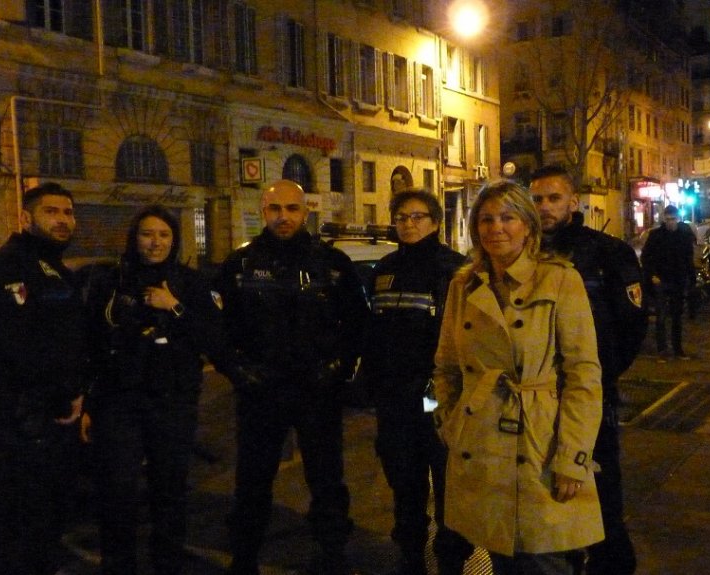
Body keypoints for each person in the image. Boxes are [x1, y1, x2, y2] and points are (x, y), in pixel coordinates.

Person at [433, 180, 604, 574]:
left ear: (528, 225)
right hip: (481, 443)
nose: (497, 228)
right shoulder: (464, 284)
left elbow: (583, 375)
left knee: (543, 559)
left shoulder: (560, 279)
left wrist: (572, 458)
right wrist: (450, 420)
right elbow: (446, 366)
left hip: (539, 444)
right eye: (487, 219)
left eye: (508, 217)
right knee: (502, 558)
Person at [82, 205, 256, 575]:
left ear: (174, 240)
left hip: (172, 402)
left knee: (170, 489)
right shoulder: (112, 281)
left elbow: (213, 340)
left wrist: (173, 307)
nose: (155, 242)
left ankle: (168, 560)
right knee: (119, 490)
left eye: (163, 235)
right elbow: (91, 343)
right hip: (121, 402)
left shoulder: (190, 284)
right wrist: (88, 400)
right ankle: (119, 562)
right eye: (147, 234)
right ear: (134, 238)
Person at [217, 180, 369, 575]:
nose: (283, 217)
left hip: (317, 391)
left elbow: (357, 324)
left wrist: (338, 369)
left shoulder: (332, 263)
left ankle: (332, 553)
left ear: (305, 212)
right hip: (260, 392)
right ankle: (245, 555)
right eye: (274, 209)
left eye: (291, 209)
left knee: (327, 480)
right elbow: (217, 328)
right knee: (252, 480)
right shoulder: (240, 264)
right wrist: (237, 371)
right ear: (263, 211)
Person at [529, 165, 647, 575]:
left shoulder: (607, 252)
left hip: (590, 395)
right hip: (536, 397)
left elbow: (632, 324)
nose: (544, 207)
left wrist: (601, 375)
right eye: (537, 199)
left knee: (600, 491)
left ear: (573, 202)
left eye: (553, 198)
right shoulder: (522, 252)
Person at [0, 182, 87, 574]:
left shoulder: (52, 267)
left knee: (48, 517)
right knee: (25, 518)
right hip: (26, 417)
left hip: (48, 418)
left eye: (68, 212)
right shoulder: (10, 266)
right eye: (52, 211)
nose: (63, 220)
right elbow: (19, 346)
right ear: (26, 217)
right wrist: (62, 397)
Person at [362, 190, 472, 575]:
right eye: (401, 217)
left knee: (449, 481)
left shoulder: (456, 270)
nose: (408, 224)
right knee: (404, 481)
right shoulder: (385, 269)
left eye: (417, 217)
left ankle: (452, 559)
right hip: (395, 398)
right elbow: (372, 334)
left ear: (436, 222)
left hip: (438, 395)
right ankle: (410, 553)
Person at [641, 205, 695, 361]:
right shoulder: (656, 235)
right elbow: (646, 257)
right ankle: (662, 350)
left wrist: (690, 279)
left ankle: (678, 349)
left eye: (672, 219)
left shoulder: (684, 236)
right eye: (668, 219)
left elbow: (688, 259)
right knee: (661, 317)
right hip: (661, 281)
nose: (670, 222)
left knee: (677, 317)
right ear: (664, 219)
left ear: (677, 218)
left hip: (678, 280)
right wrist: (652, 275)